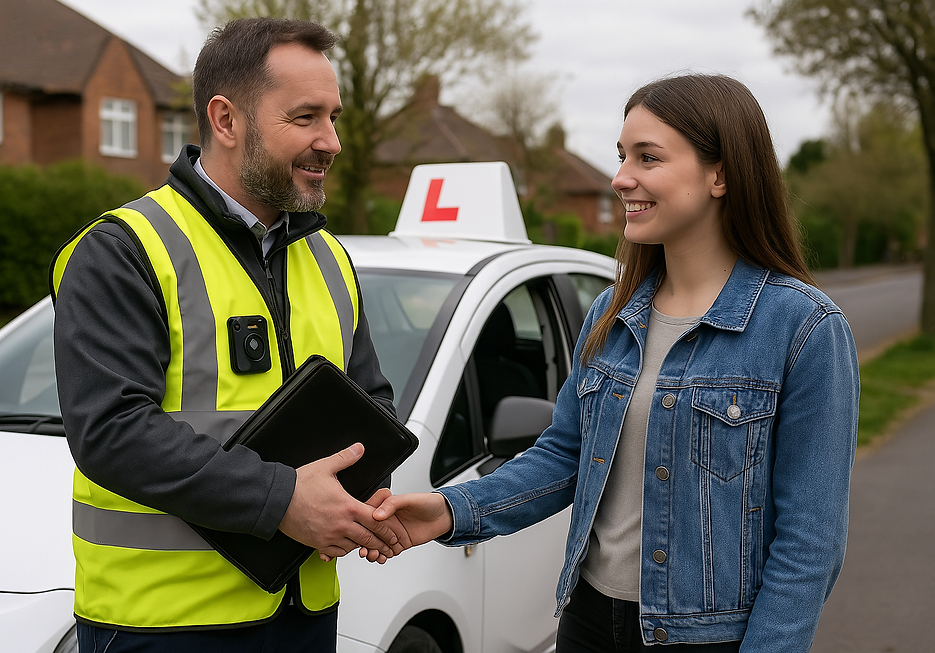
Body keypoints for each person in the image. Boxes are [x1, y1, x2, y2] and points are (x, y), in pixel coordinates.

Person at [368, 74, 860, 652]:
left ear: (720, 174)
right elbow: (565, 455)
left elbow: (809, 543)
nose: (620, 178)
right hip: (588, 623)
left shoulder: (803, 329)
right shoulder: (615, 311)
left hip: (707, 639)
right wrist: (451, 511)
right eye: (622, 155)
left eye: (648, 158)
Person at [51, 17, 404, 653]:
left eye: (335, 117)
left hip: (305, 614)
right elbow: (110, 431)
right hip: (163, 627)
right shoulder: (123, 250)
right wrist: (283, 500)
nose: (332, 141)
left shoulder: (326, 256)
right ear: (225, 119)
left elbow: (372, 403)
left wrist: (359, 500)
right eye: (306, 118)